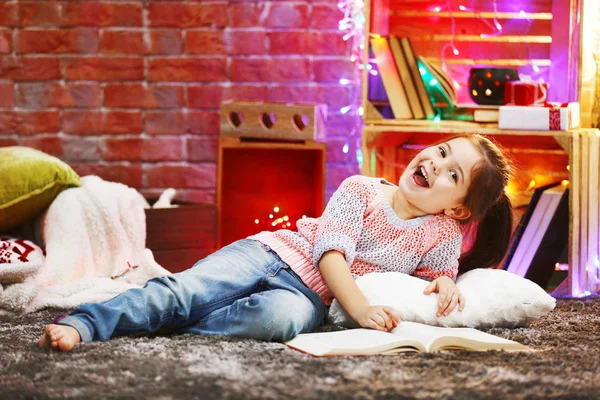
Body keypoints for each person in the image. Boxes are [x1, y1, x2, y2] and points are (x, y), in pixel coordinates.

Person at [39, 134, 513, 352]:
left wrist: (447, 284)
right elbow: (330, 253)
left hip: (307, 298)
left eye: (453, 174)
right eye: (443, 150)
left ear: (457, 209)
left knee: (278, 320)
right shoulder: (361, 189)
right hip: (275, 253)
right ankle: (90, 321)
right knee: (189, 289)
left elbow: (434, 276)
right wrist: (362, 309)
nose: (437, 163)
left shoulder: (441, 233)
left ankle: (170, 327)